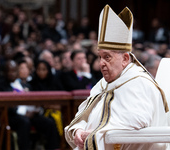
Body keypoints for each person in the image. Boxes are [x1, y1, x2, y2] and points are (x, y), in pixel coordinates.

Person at [64, 4, 169, 150]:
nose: (101, 63)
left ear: (125, 58)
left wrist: (96, 134)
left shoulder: (140, 83)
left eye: (107, 57)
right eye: (100, 57)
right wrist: (79, 130)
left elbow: (137, 120)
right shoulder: (103, 84)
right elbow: (86, 114)